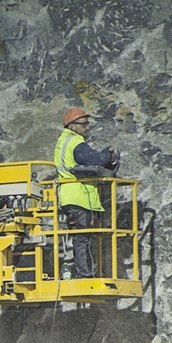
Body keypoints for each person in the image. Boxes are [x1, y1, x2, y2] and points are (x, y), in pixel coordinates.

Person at [54, 107, 120, 279]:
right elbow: (94, 159)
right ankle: (84, 275)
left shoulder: (64, 141)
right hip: (78, 196)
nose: (87, 127)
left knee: (80, 237)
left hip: (72, 196)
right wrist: (109, 152)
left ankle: (80, 273)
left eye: (87, 124)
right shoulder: (75, 143)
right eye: (83, 124)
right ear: (71, 125)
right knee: (82, 238)